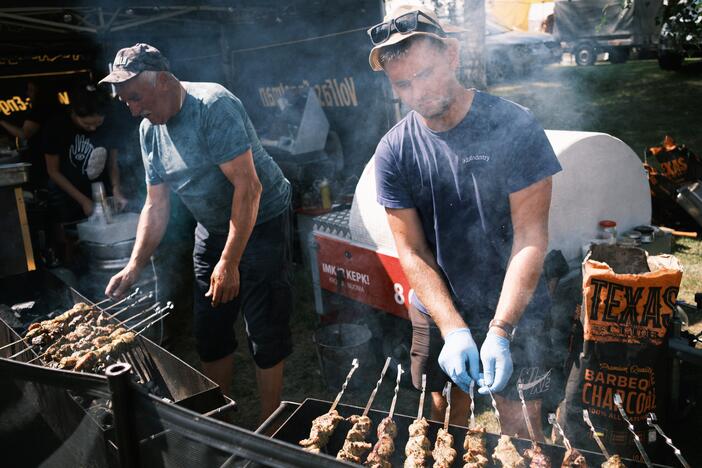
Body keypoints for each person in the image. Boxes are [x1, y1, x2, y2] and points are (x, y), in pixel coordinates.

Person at [368, 5, 562, 438]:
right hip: (438, 305)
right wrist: (453, 329)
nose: (417, 91)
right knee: (438, 425)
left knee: (524, 432)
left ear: (452, 56)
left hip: (515, 303)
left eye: (426, 73)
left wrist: (501, 329)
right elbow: (411, 251)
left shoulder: (515, 126)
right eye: (403, 84)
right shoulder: (394, 151)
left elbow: (531, 236)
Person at [100, 43, 293, 423]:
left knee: (264, 327)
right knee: (210, 327)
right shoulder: (148, 131)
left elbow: (249, 189)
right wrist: (135, 266)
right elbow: (156, 206)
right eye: (126, 102)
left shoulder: (211, 107)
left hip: (263, 217)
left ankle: (272, 426)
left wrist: (230, 261)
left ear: (166, 81)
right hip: (213, 225)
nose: (134, 109)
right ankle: (218, 419)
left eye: (136, 97)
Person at [43, 83, 128, 261]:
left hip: (99, 193)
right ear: (73, 113)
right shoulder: (56, 126)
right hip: (66, 197)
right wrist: (83, 201)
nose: (93, 129)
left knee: (104, 242)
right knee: (74, 246)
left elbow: (112, 163)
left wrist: (116, 190)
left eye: (98, 123)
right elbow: (53, 171)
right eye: (87, 124)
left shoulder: (110, 123)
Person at [0, 81, 60, 189]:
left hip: (41, 158)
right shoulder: (55, 108)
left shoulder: (40, 110)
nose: (28, 94)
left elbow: (24, 134)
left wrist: (1, 121)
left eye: (31, 90)